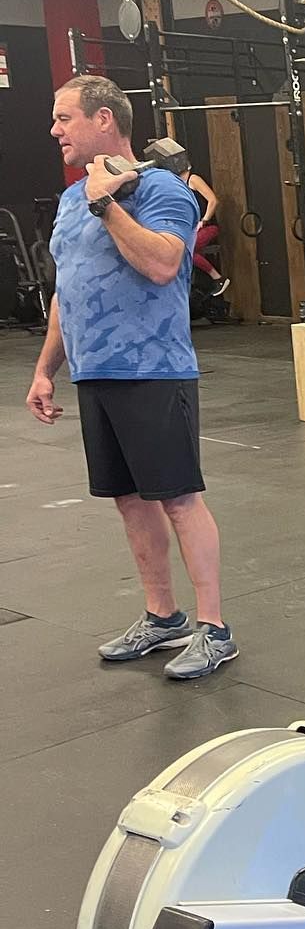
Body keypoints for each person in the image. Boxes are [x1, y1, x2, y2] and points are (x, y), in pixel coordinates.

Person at [25, 74, 238, 679]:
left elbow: (165, 264)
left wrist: (107, 202)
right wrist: (46, 370)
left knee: (177, 498)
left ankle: (215, 629)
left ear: (103, 121)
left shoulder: (161, 188)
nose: (54, 130)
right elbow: (68, 291)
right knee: (127, 500)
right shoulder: (70, 201)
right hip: (94, 373)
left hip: (153, 369)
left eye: (65, 118)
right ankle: (162, 617)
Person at [185, 162, 229, 297]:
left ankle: (218, 278)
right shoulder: (176, 185)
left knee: (188, 249)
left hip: (208, 225)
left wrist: (204, 220)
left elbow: (213, 200)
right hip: (191, 228)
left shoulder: (193, 179)